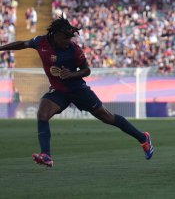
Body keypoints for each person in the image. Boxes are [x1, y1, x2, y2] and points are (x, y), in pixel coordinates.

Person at [0, 17, 154, 167]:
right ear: (56, 35)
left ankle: (143, 138)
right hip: (59, 91)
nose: (69, 41)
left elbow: (87, 70)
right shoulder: (41, 42)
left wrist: (71, 74)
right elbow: (23, 44)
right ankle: (46, 156)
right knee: (42, 114)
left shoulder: (74, 50)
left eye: (70, 38)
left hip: (77, 89)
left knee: (106, 117)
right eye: (66, 38)